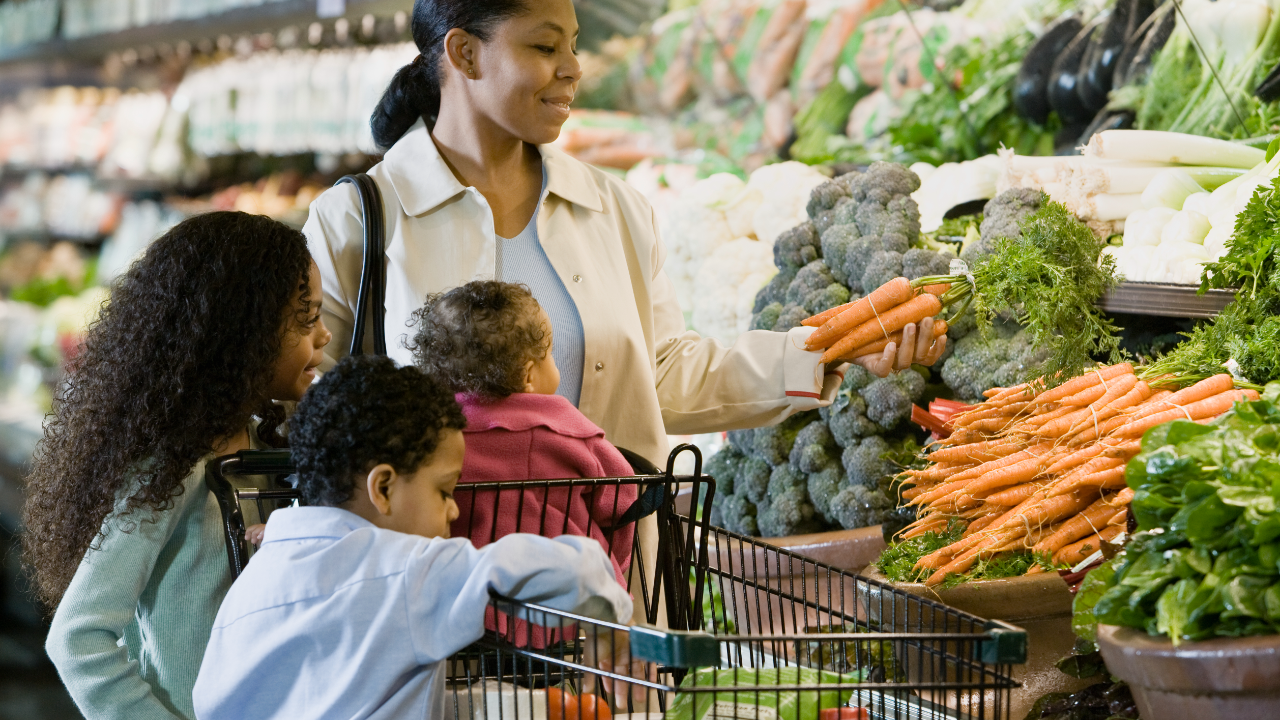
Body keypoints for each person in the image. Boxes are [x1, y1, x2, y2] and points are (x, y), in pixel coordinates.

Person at [303, 0, 945, 472]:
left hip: (602, 588)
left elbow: (662, 375)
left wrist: (828, 351)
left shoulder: (611, 207)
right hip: (436, 603)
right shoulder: (356, 220)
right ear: (465, 53)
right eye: (545, 47)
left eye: (574, 46)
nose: (573, 69)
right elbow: (312, 412)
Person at [191, 355, 634, 720]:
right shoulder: (407, 569)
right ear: (383, 488)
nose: (455, 509)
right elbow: (573, 567)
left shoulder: (255, 582)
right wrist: (606, 615)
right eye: (444, 490)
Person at [22, 212, 332, 720]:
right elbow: (79, 637)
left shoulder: (266, 447)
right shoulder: (173, 470)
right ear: (241, 331)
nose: (322, 336)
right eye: (305, 317)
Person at [410, 280, 637, 581]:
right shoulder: (569, 431)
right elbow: (622, 497)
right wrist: (615, 564)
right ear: (529, 375)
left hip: (468, 590)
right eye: (551, 354)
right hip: (570, 595)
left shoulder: (432, 435)